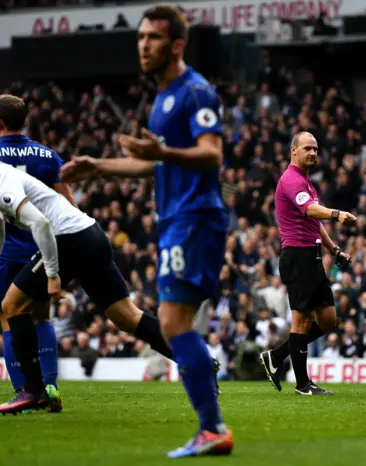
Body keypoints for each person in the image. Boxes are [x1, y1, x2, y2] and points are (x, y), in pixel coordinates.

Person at [60, 5, 232, 458]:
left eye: (153, 38)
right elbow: (152, 161)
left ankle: (213, 428)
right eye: (140, 38)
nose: (144, 45)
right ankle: (211, 428)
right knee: (175, 326)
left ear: (176, 44)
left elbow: (211, 154)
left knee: (175, 326)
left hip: (195, 217)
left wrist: (165, 151)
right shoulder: (162, 98)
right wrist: (101, 166)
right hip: (178, 219)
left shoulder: (195, 92)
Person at [0, 163, 174, 415]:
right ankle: (197, 359)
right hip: (90, 234)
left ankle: (34, 391)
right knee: (126, 316)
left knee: (12, 306)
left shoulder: (3, 181)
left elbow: (41, 224)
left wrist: (52, 274)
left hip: (68, 238)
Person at [259, 131, 355, 396]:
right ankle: (302, 384)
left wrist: (334, 250)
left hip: (311, 256)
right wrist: (336, 214)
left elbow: (313, 221)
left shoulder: (305, 181)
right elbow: (312, 211)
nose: (313, 153)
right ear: (294, 151)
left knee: (327, 320)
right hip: (297, 256)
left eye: (315, 148)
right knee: (300, 320)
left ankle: (276, 357)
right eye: (307, 148)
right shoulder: (290, 180)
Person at [0, 94, 77, 411]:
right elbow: (69, 207)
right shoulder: (47, 156)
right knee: (42, 316)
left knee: (7, 315)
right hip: (42, 250)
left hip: (6, 248)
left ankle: (23, 390)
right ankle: (50, 384)